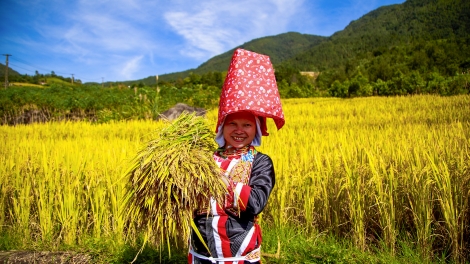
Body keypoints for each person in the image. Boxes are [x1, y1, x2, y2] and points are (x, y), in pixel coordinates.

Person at [188, 48, 285, 264]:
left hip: (239, 253)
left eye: (247, 125)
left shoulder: (260, 162)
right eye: (232, 123)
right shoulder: (205, 158)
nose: (239, 130)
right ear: (222, 127)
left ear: (256, 130)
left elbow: (257, 201)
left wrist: (220, 182)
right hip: (201, 251)